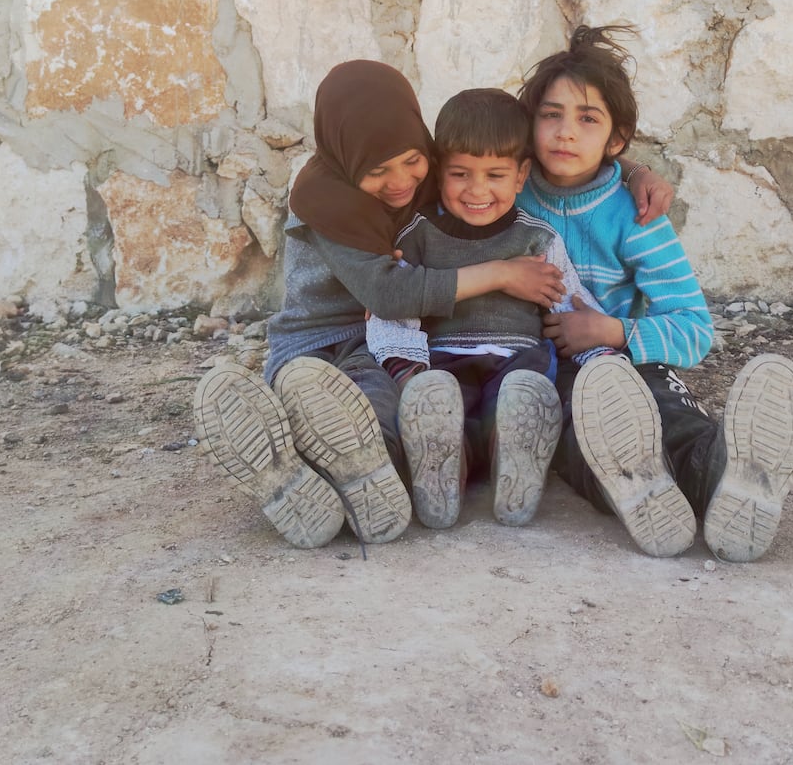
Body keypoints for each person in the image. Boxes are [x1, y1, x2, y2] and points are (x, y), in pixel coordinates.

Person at [192, 60, 569, 550]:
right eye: (377, 171)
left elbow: (498, 158)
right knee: (321, 398)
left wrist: (633, 171)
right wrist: (502, 273)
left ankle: (351, 479)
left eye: (413, 160)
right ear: (348, 158)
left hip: (372, 345)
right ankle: (285, 461)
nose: (400, 182)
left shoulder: (430, 171)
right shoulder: (327, 201)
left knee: (382, 413)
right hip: (315, 345)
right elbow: (388, 294)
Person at [515, 25, 793, 561]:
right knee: (574, 438)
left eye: (588, 119)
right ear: (528, 123)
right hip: (550, 372)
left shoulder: (637, 215)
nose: (565, 133)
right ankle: (641, 488)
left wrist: (614, 330)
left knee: (672, 419)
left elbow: (694, 329)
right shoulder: (504, 194)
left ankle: (728, 477)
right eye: (551, 114)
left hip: (631, 363)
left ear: (617, 139)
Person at [366, 88, 612, 531]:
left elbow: (571, 302)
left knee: (519, 399)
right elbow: (395, 311)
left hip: (518, 362)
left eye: (495, 175)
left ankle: (514, 460)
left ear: (521, 176)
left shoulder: (537, 239)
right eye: (461, 174)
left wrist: (601, 354)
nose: (477, 190)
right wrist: (408, 371)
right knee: (442, 413)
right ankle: (445, 474)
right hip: (444, 365)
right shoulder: (419, 236)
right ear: (440, 172)